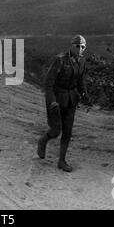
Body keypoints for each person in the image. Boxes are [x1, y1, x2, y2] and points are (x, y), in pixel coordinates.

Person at [37, 35, 92, 172]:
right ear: (71, 46)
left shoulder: (82, 62)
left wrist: (85, 96)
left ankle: (62, 161)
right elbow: (49, 83)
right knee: (56, 130)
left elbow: (80, 82)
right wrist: (52, 101)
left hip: (71, 100)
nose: (79, 49)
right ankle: (43, 140)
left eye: (82, 47)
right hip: (57, 99)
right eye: (77, 46)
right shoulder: (60, 60)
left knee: (67, 132)